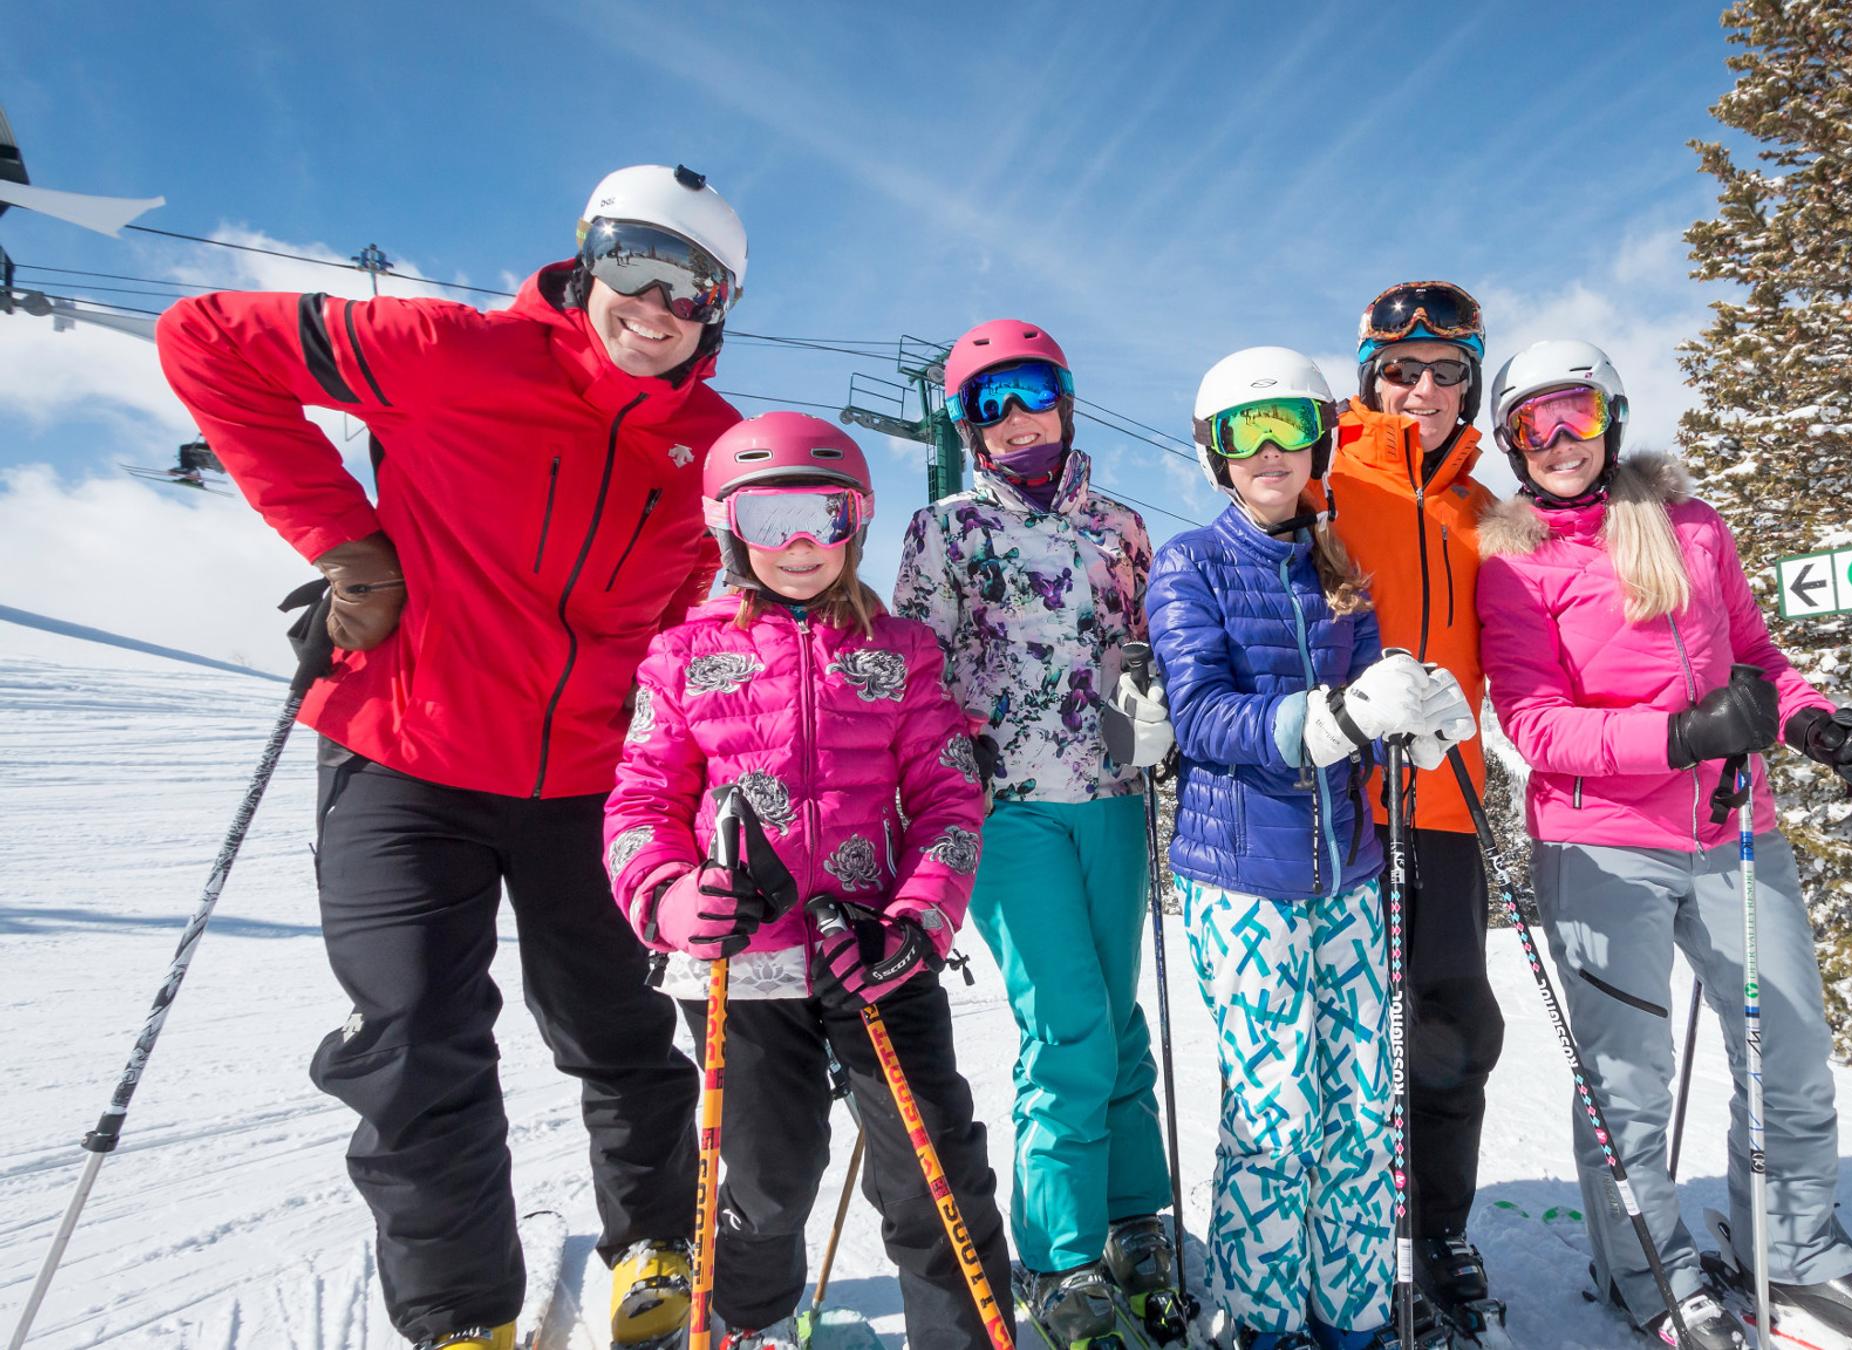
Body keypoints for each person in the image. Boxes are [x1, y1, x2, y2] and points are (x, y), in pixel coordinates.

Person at [155, 165, 748, 1350]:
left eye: (693, 287)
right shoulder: (450, 353)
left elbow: (699, 598)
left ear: (718, 310)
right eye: (634, 262)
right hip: (405, 755)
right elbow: (203, 339)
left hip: (588, 778)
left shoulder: (713, 445)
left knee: (620, 1030)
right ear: (586, 256)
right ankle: (463, 1319)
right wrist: (350, 548)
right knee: (415, 1035)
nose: (656, 303)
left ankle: (656, 1250)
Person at [1475, 340, 1852, 1350]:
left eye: (1574, 414)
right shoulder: (1513, 560)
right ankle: (1649, 1273)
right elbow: (1535, 727)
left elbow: (1757, 661)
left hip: (1732, 828)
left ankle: (1792, 1248)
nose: (1556, 441)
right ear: (1510, 442)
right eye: (1532, 425)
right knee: (1625, 1080)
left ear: (1612, 415)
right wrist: (1676, 735)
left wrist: (1815, 724)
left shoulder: (1693, 527)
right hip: (1601, 842)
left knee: (1791, 1047)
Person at [604, 412, 1010, 1349]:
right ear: (727, 524)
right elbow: (637, 807)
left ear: (856, 525)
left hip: (874, 952)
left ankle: (962, 1334)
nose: (797, 544)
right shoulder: (680, 658)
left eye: (823, 516)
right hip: (745, 968)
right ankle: (749, 1320)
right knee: (768, 1172)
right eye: (768, 514)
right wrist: (671, 898)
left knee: (929, 1163)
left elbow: (950, 800)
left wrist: (912, 926)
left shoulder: (902, 651)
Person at [1146, 347, 1472, 1350]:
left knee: (1361, 1104)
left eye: (1290, 424)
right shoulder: (1190, 562)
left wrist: (1420, 713)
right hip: (1241, 875)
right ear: (1216, 453)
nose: (1272, 450)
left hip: (1348, 870)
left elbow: (1374, 684)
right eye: (1246, 432)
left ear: (1319, 439)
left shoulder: (1337, 566)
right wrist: (1328, 718)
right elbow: (1199, 715)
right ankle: (1261, 1315)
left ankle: (1355, 1312)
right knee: (1279, 1109)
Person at [891, 319, 1181, 1345]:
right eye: (985, 403)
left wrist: (1158, 712)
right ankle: (1058, 1257)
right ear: (967, 426)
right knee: (1066, 1026)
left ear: (1063, 395)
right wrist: (934, 773)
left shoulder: (1124, 531)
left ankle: (1133, 1214)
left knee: (1122, 1016)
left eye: (1026, 392)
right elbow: (914, 669)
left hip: (1111, 794)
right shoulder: (947, 531)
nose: (1012, 419)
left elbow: (1154, 653)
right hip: (1009, 805)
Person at [1308, 280, 1506, 1328]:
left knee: (1451, 1023)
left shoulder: (1482, 507)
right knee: (1336, 1032)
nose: (1421, 388)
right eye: (1400, 370)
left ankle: (1435, 1226)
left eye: (1445, 373)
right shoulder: (1324, 479)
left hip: (1444, 802)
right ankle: (1331, 1223)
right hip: (1336, 802)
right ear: (1367, 379)